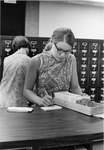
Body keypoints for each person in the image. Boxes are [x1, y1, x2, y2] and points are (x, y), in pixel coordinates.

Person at [24, 27, 85, 107]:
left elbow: (75, 87)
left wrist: (82, 98)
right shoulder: (37, 61)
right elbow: (27, 90)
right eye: (60, 49)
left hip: (65, 109)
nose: (63, 55)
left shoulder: (71, 59)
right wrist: (40, 100)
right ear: (52, 41)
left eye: (67, 51)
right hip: (43, 110)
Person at [0, 35, 31, 107]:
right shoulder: (29, 61)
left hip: (2, 97)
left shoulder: (6, 59)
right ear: (28, 47)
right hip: (17, 102)